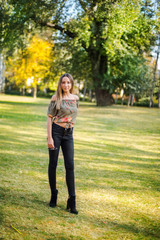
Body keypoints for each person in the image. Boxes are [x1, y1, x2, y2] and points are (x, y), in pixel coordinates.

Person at [47, 73, 79, 214]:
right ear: (60, 84)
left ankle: (72, 200)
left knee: (70, 165)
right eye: (63, 82)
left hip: (68, 134)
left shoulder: (75, 99)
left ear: (71, 84)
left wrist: (71, 126)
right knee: (53, 163)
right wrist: (50, 138)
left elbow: (74, 116)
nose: (66, 85)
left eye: (68, 82)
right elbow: (49, 119)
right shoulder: (56, 98)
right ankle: (54, 194)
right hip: (56, 132)